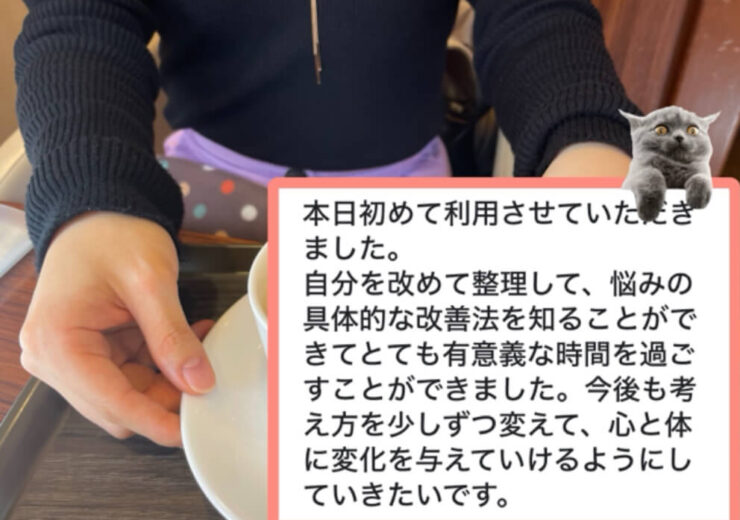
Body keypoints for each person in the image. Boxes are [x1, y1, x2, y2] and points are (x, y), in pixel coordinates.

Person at [14, 0, 639, 447]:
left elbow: (536, 12)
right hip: (201, 203)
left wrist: (588, 142)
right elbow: (83, 18)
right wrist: (87, 202)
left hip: (409, 193)